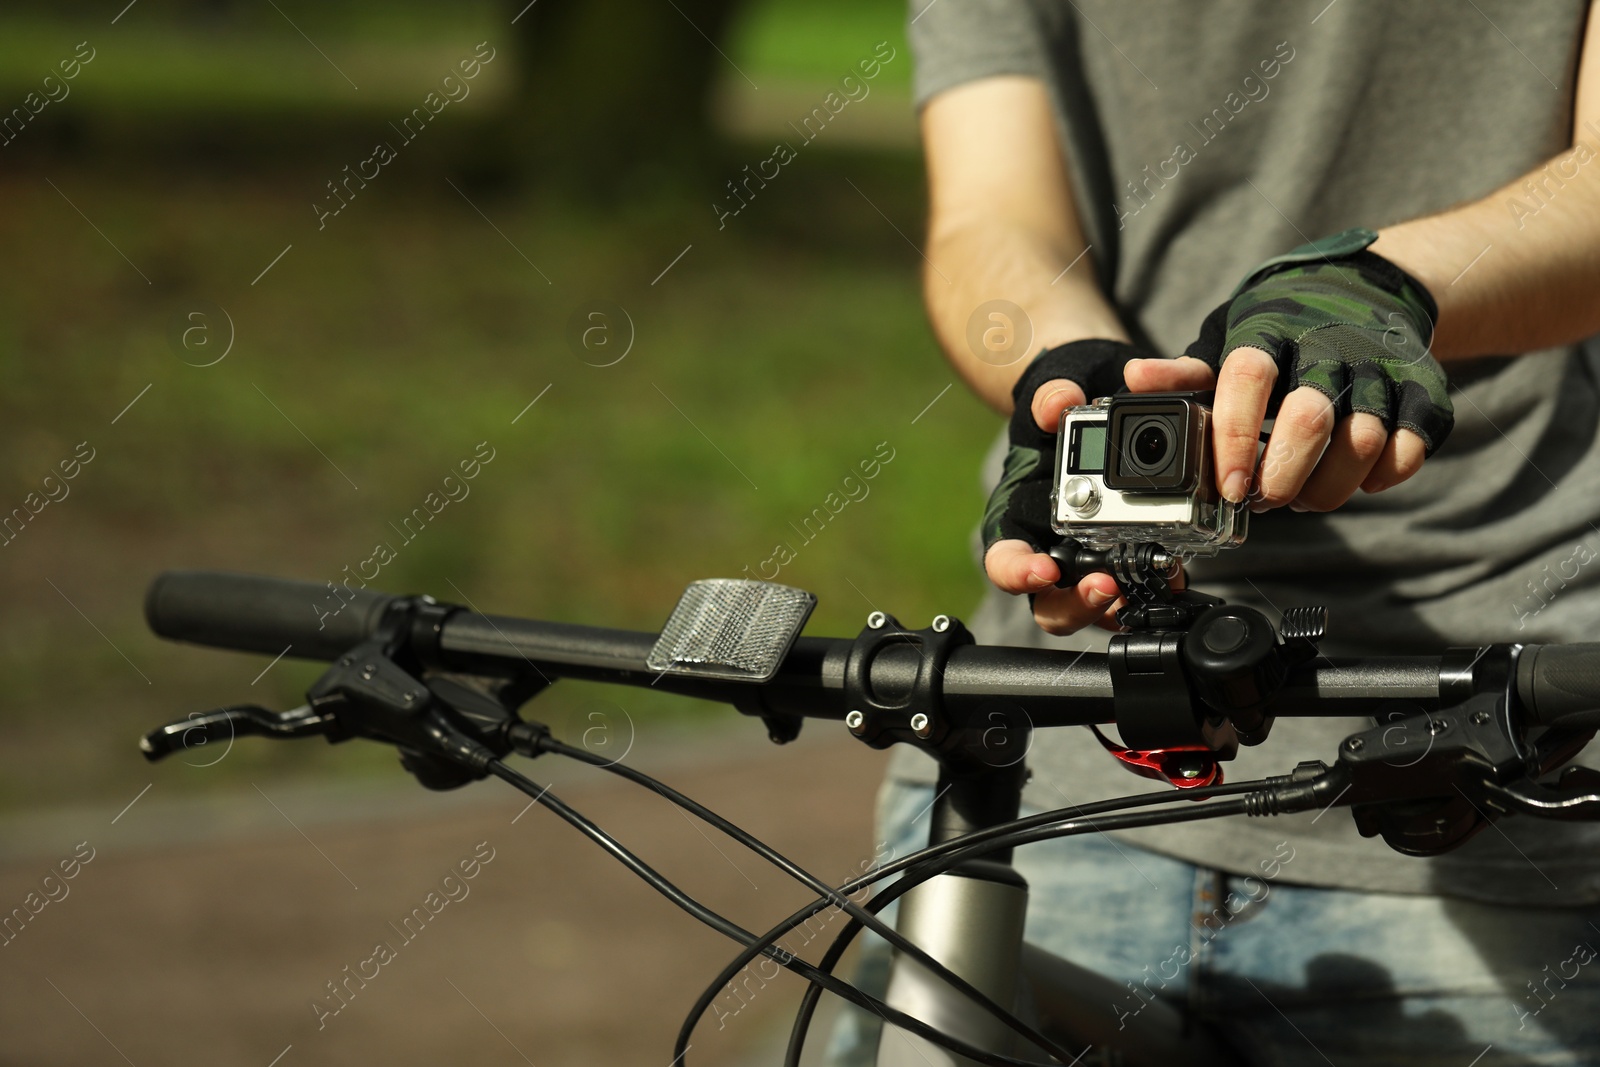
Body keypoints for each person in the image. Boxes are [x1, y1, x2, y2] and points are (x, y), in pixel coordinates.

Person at [833, 1, 1600, 1062]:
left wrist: (1376, 285)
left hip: (1482, 760)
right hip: (1038, 780)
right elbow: (987, 218)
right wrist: (1064, 381)